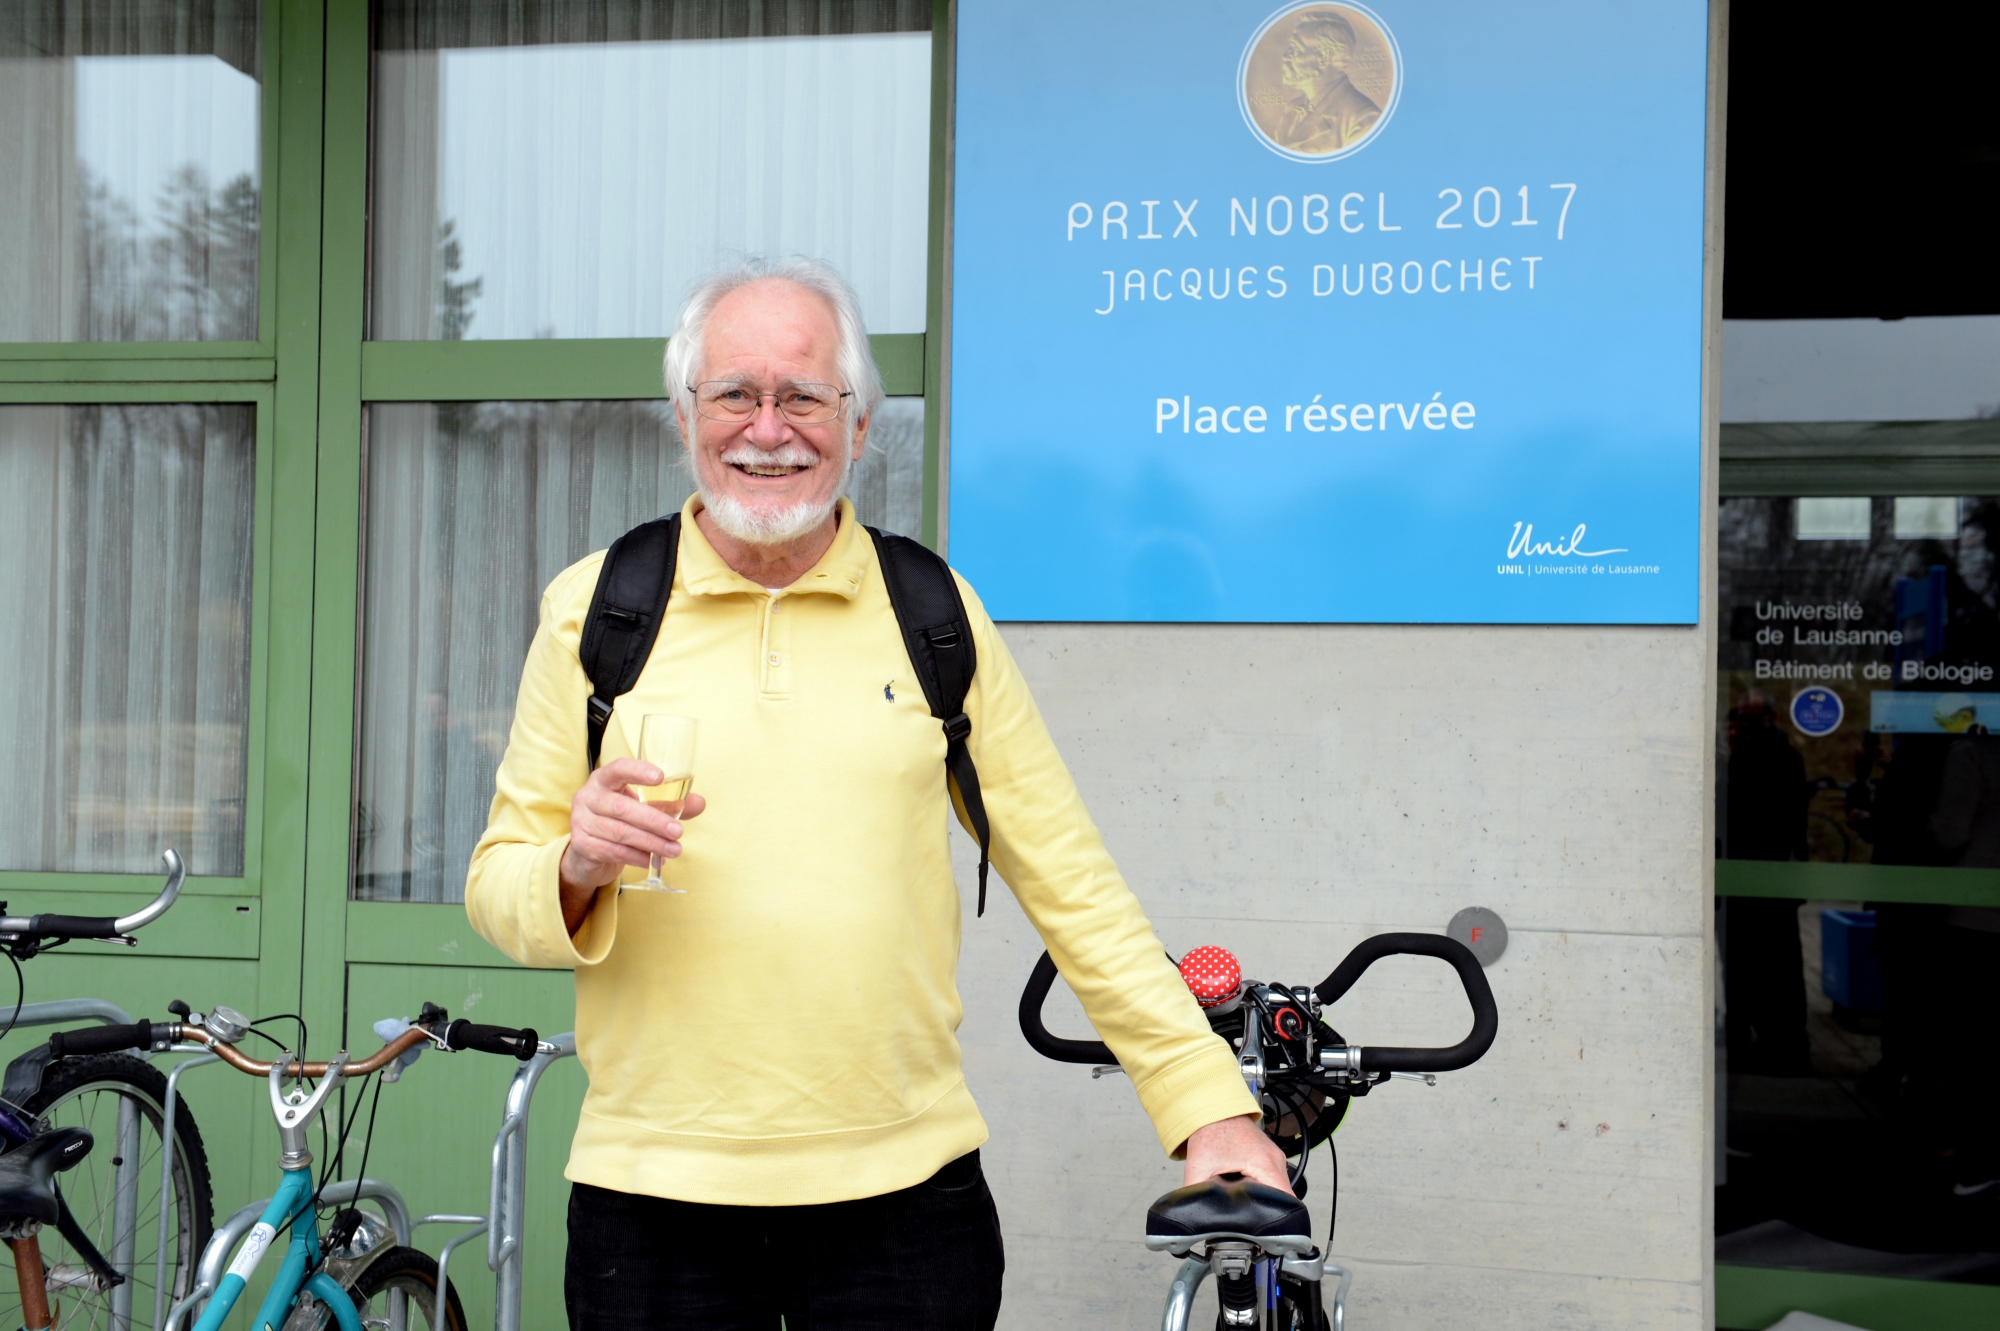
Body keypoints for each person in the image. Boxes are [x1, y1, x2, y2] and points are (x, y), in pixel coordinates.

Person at [464, 257, 1284, 1329]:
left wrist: (1205, 1105)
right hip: (652, 1196)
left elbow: (1070, 881)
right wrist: (575, 865)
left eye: (804, 395)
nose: (770, 427)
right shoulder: (596, 608)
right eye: (735, 395)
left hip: (902, 1196)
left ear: (857, 427)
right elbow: (497, 888)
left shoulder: (931, 610)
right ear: (684, 417)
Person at [1267, 11, 1382, 153]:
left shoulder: (1363, 118)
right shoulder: (1292, 108)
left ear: (1324, 57)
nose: (1285, 57)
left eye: (1296, 48)